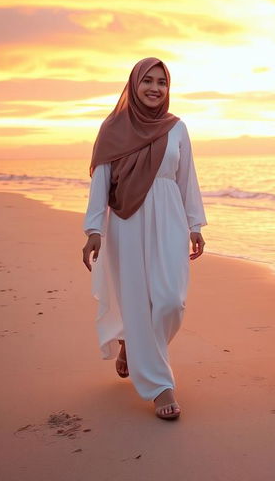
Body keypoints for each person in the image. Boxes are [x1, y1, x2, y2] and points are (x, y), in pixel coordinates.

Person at [82, 58, 206, 420]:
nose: (155, 88)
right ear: (134, 85)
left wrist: (196, 225)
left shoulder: (177, 129)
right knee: (137, 302)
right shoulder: (112, 128)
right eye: (147, 81)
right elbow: (101, 183)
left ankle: (133, 346)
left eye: (162, 82)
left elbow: (187, 180)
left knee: (171, 301)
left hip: (170, 219)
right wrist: (93, 230)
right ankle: (159, 386)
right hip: (127, 221)